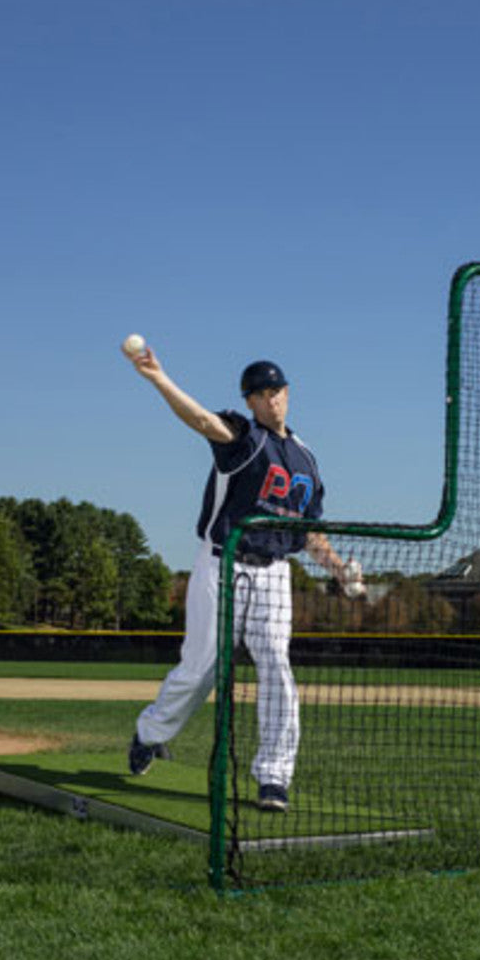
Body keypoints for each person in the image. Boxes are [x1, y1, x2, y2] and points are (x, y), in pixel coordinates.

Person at [122, 343, 359, 813]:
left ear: (288, 393)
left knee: (276, 667)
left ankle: (274, 777)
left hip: (274, 574)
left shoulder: (307, 459)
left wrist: (339, 570)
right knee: (200, 669)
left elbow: (309, 530)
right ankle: (150, 733)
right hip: (222, 562)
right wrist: (159, 379)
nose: (271, 399)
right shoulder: (244, 438)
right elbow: (203, 423)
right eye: (261, 393)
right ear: (248, 400)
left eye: (277, 390)